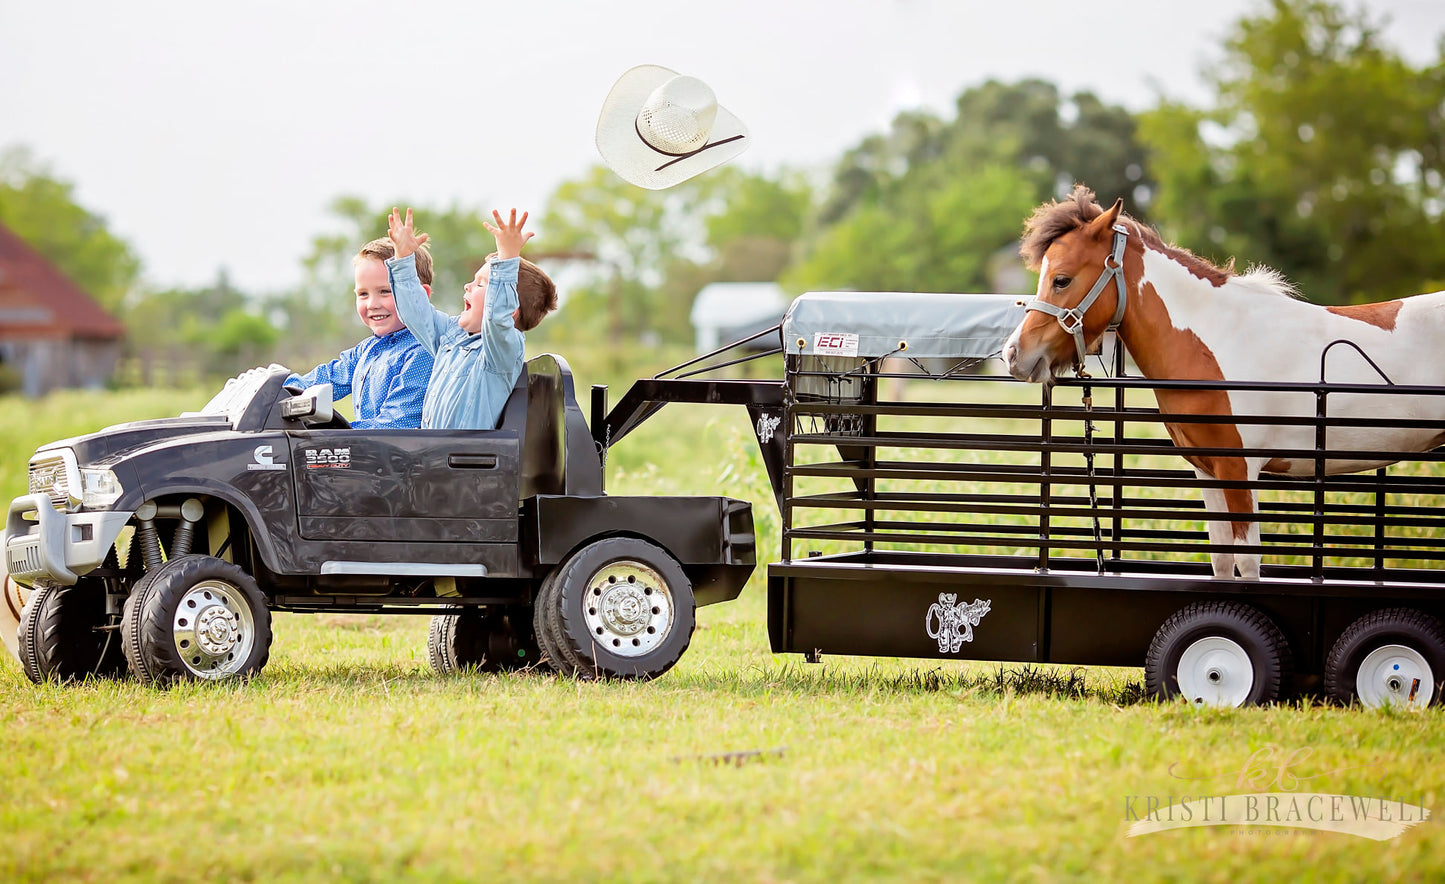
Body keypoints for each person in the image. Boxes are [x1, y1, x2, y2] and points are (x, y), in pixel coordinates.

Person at [386, 207, 557, 430]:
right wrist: (404, 259)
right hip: (434, 456)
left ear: (509, 309)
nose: (467, 285)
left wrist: (507, 259)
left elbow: (496, 319)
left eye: (480, 284)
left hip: (466, 460)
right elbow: (415, 313)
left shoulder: (502, 350)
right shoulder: (451, 337)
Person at [285, 237, 435, 428]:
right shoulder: (367, 349)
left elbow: (394, 424)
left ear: (420, 295)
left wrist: (334, 434)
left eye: (385, 291)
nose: (372, 304)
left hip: (404, 455)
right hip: (368, 452)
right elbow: (328, 377)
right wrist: (278, 389)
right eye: (363, 294)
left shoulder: (423, 351)